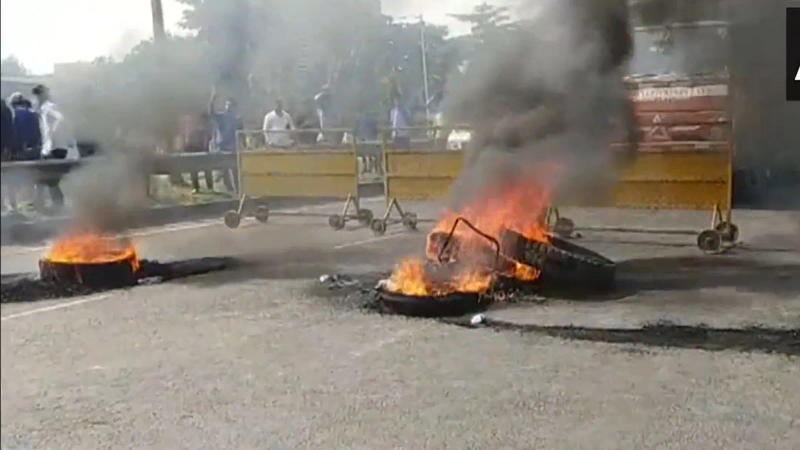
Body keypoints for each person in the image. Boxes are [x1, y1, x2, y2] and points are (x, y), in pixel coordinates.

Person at [208, 88, 243, 192]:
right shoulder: (222, 117)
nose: (228, 107)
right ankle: (229, 190)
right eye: (227, 105)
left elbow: (241, 134)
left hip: (233, 148)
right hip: (223, 147)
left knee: (235, 170)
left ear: (234, 107)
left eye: (230, 105)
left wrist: (243, 145)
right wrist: (212, 99)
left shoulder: (237, 119)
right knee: (225, 170)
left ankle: (238, 189)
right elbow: (211, 113)